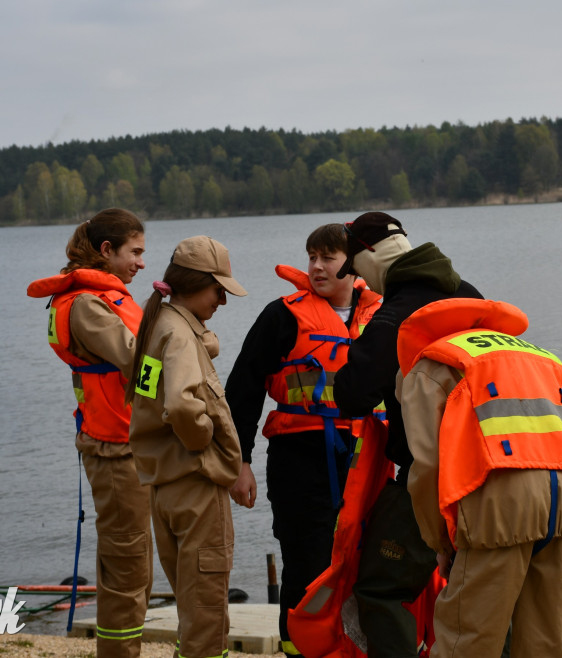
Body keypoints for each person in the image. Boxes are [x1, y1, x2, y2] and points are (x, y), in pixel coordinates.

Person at [396, 297, 562, 658]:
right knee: (546, 645)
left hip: (500, 507)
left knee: (467, 643)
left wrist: (441, 542)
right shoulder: (537, 355)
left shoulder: (431, 364)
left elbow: (427, 467)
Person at [226, 223, 383, 657]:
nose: (315, 266)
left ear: (353, 263)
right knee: (307, 567)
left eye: (327, 258)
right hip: (300, 459)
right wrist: (241, 462)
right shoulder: (282, 315)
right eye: (311, 256)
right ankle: (299, 650)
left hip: (366, 459)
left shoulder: (384, 315)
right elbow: (243, 389)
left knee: (370, 566)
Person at [331, 212, 482, 658]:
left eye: (357, 270)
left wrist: (365, 348)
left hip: (431, 476)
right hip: (500, 466)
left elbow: (352, 395)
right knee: (488, 593)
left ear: (370, 257)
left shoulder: (394, 315)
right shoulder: (471, 297)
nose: (362, 283)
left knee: (379, 588)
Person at [26, 208, 153, 658]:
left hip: (127, 443)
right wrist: (198, 337)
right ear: (106, 250)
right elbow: (138, 358)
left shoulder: (100, 297)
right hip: (113, 450)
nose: (141, 262)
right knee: (126, 569)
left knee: (136, 566)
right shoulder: (86, 304)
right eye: (134, 252)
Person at [124, 236, 246, 658]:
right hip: (196, 486)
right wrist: (205, 444)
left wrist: (206, 343)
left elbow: (151, 395)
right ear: (197, 283)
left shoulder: (159, 323)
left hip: (164, 486)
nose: (222, 302)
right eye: (219, 291)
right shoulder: (177, 334)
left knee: (190, 608)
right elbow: (179, 403)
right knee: (207, 615)